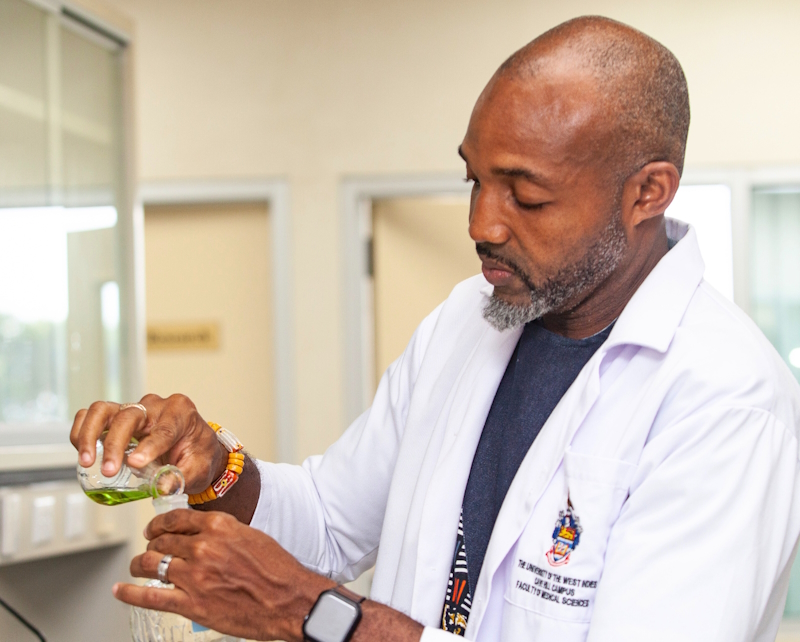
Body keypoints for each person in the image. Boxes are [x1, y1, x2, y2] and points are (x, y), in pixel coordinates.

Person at [71, 15, 800, 642]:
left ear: (647, 192)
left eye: (527, 197)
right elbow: (326, 523)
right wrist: (215, 464)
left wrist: (314, 615)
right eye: (474, 181)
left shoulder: (724, 401)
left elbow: (313, 592)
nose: (482, 224)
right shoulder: (468, 320)